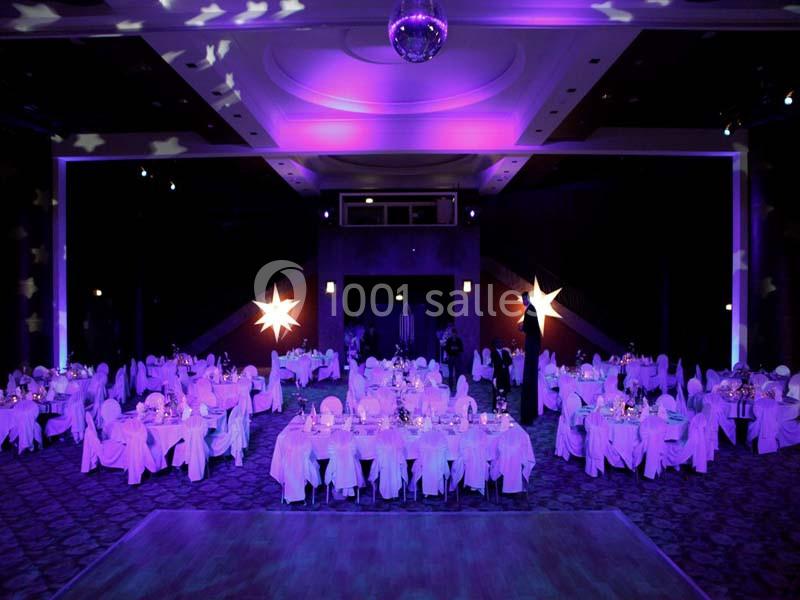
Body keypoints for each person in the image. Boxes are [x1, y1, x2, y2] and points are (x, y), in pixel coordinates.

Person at [519, 290, 540, 425]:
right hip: (533, 345)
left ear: (527, 298)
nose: (522, 301)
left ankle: (528, 413)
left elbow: (530, 328)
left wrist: (522, 328)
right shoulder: (532, 309)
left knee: (529, 379)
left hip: (532, 346)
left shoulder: (530, 310)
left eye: (523, 298)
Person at [491, 339, 512, 411]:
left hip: (505, 375)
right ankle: (495, 408)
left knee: (504, 393)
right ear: (495, 344)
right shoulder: (493, 353)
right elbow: (495, 362)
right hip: (497, 375)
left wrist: (505, 364)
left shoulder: (505, 352)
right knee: (496, 393)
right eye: (499, 343)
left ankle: (504, 409)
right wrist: (503, 364)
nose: (501, 344)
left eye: (501, 342)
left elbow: (510, 361)